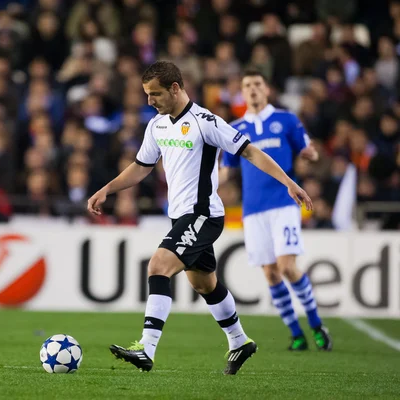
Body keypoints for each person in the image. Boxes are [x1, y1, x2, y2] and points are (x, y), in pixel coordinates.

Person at [87, 61, 313, 375]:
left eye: (155, 94)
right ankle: (240, 341)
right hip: (179, 216)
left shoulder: (205, 121)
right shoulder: (158, 125)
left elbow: (250, 151)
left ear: (175, 88)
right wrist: (107, 189)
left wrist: (289, 183)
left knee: (158, 266)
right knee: (205, 284)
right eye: (147, 95)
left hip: (203, 214)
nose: (150, 101)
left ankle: (146, 348)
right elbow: (142, 166)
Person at [221, 69, 333, 351]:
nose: (253, 89)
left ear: (267, 89)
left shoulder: (286, 120)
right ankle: (296, 333)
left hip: (284, 204)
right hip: (253, 210)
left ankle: (317, 324)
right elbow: (226, 171)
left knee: (287, 266)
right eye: (247, 86)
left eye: (257, 84)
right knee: (270, 274)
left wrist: (311, 154)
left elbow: (309, 149)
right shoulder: (235, 129)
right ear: (242, 92)